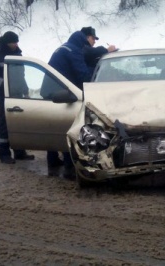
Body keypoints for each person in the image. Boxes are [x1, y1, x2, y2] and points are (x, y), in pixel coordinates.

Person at [46, 30, 94, 174]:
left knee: (54, 125)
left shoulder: (64, 47)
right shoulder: (74, 51)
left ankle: (52, 159)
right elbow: (83, 75)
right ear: (82, 43)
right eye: (85, 45)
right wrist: (94, 68)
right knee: (69, 125)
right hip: (62, 93)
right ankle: (69, 165)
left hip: (49, 90)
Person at [0, 31, 35, 164]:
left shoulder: (17, 53)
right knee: (4, 123)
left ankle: (19, 152)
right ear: (7, 42)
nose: (16, 44)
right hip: (4, 95)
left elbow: (21, 75)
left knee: (18, 122)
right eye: (14, 42)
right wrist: (6, 86)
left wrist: (24, 89)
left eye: (17, 42)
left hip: (18, 94)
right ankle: (4, 154)